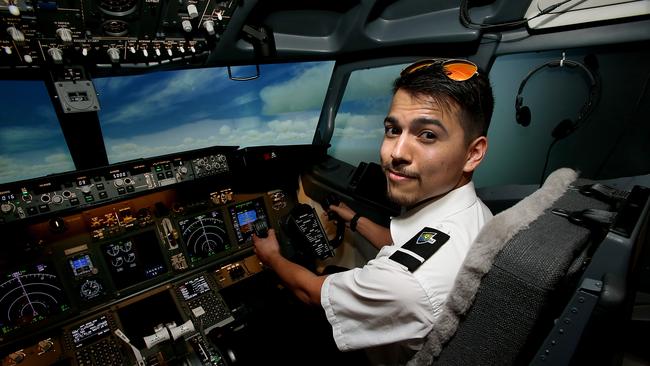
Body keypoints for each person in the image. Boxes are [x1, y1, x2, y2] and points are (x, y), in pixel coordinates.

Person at [252, 58, 494, 365]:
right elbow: (407, 245)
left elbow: (309, 293)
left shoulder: (405, 283)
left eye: (427, 135)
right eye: (393, 130)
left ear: (473, 153)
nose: (395, 153)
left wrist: (271, 257)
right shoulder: (473, 213)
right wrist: (353, 219)